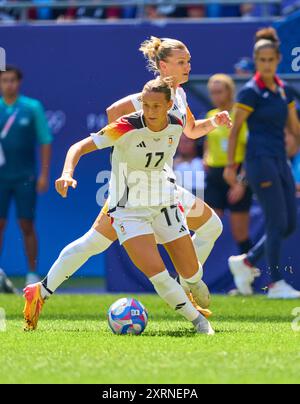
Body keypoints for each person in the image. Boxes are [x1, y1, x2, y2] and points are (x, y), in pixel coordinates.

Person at [23, 37, 231, 324]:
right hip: (131, 191)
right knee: (94, 243)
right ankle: (41, 291)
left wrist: (215, 122)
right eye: (181, 62)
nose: (188, 66)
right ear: (163, 65)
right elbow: (113, 117)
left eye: (188, 61)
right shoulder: (146, 100)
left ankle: (187, 281)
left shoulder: (178, 95)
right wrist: (128, 150)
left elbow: (192, 130)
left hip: (162, 186)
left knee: (211, 226)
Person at [224, 28, 300, 298]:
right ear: (256, 61)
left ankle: (246, 262)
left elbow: (295, 130)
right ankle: (276, 283)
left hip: (281, 161)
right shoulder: (250, 92)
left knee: (289, 223)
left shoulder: (284, 91)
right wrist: (231, 166)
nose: (266, 64)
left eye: (271, 60)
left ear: (278, 59)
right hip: (258, 161)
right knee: (276, 221)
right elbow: (234, 131)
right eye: (261, 60)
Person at [0, 65, 52, 286]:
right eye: (4, 80)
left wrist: (44, 174)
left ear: (18, 82)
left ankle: (32, 274)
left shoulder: (32, 107)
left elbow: (45, 140)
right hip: (1, 178)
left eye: (12, 80)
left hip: (25, 177)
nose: (8, 84)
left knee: (27, 224)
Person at [204, 74, 254, 257]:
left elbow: (250, 150)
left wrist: (241, 182)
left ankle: (249, 279)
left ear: (230, 91)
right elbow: (209, 141)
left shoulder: (239, 116)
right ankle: (192, 279)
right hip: (215, 177)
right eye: (212, 93)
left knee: (240, 234)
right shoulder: (211, 115)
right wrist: (206, 157)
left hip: (238, 174)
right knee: (206, 231)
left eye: (219, 91)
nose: (215, 96)